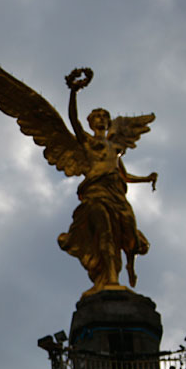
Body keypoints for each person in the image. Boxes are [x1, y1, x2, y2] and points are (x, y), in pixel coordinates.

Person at [57, 69, 158, 297]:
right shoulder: (86, 142)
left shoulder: (115, 149)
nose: (101, 119)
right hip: (95, 193)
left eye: (104, 117)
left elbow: (124, 175)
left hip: (116, 194)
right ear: (91, 122)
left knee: (129, 233)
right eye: (97, 117)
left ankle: (129, 264)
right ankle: (111, 278)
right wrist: (73, 92)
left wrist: (146, 178)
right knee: (106, 234)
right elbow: (72, 120)